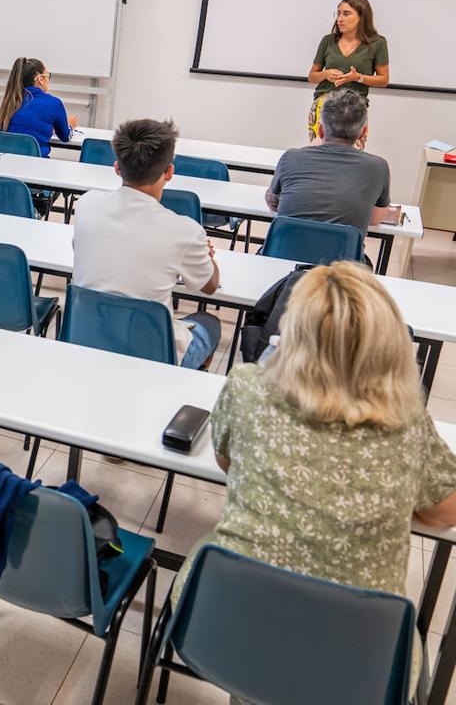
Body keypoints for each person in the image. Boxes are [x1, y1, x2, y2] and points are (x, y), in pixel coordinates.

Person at [173, 262, 456, 690]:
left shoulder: (247, 386)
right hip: (359, 662)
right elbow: (441, 514)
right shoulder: (406, 424)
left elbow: (227, 460)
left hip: (223, 629)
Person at [72, 119, 222, 369]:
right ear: (170, 171)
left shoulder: (86, 204)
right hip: (153, 352)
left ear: (117, 168)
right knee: (210, 323)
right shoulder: (184, 231)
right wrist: (206, 256)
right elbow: (210, 286)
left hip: (86, 336)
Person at [266, 88, 399, 239]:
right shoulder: (378, 167)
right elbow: (375, 219)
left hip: (284, 257)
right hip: (342, 261)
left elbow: (273, 203)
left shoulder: (291, 157)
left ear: (321, 130)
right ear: (363, 132)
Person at [306, 0, 388, 145]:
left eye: (346, 13)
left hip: (355, 108)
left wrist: (358, 78)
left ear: (362, 17)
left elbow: (384, 79)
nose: (340, 19)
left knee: (351, 158)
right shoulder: (328, 41)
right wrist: (325, 74)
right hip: (325, 105)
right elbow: (312, 77)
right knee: (319, 155)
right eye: (338, 13)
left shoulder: (378, 43)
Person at [0, 56, 78, 157]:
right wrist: (70, 125)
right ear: (40, 79)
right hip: (36, 167)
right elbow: (65, 137)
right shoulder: (53, 103)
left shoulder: (11, 101)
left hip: (6, 165)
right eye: (48, 76)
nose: (48, 80)